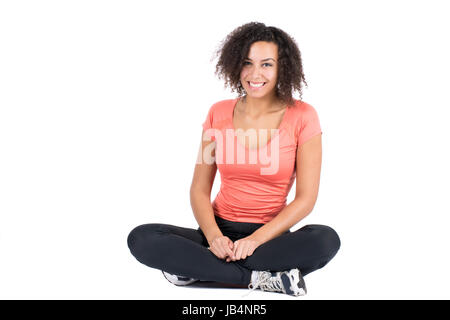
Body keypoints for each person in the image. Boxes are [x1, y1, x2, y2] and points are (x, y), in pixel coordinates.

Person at [127, 22, 341, 297]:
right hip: (218, 232)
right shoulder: (218, 113)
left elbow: (305, 199)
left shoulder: (304, 116)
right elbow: (199, 189)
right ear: (234, 65)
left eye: (266, 65)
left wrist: (254, 240)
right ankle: (263, 278)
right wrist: (215, 237)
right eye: (247, 63)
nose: (255, 74)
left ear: (282, 68)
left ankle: (198, 270)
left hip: (270, 238)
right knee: (142, 237)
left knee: (325, 240)